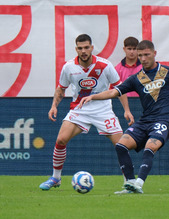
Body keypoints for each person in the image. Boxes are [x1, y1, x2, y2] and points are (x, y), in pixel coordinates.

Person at [79, 40, 169, 194]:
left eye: (146, 55)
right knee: (121, 145)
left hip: (163, 120)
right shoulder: (136, 78)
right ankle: (130, 184)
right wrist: (93, 97)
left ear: (154, 54)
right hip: (145, 121)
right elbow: (114, 92)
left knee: (150, 147)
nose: (143, 58)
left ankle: (139, 184)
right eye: (140, 55)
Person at [39, 34, 134, 190]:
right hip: (80, 110)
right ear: (76, 49)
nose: (83, 51)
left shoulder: (104, 65)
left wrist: (127, 110)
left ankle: (129, 182)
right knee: (61, 139)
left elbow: (120, 89)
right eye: (80, 48)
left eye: (86, 47)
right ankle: (56, 178)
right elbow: (61, 89)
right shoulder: (69, 67)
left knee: (121, 145)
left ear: (91, 48)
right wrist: (54, 105)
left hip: (103, 110)